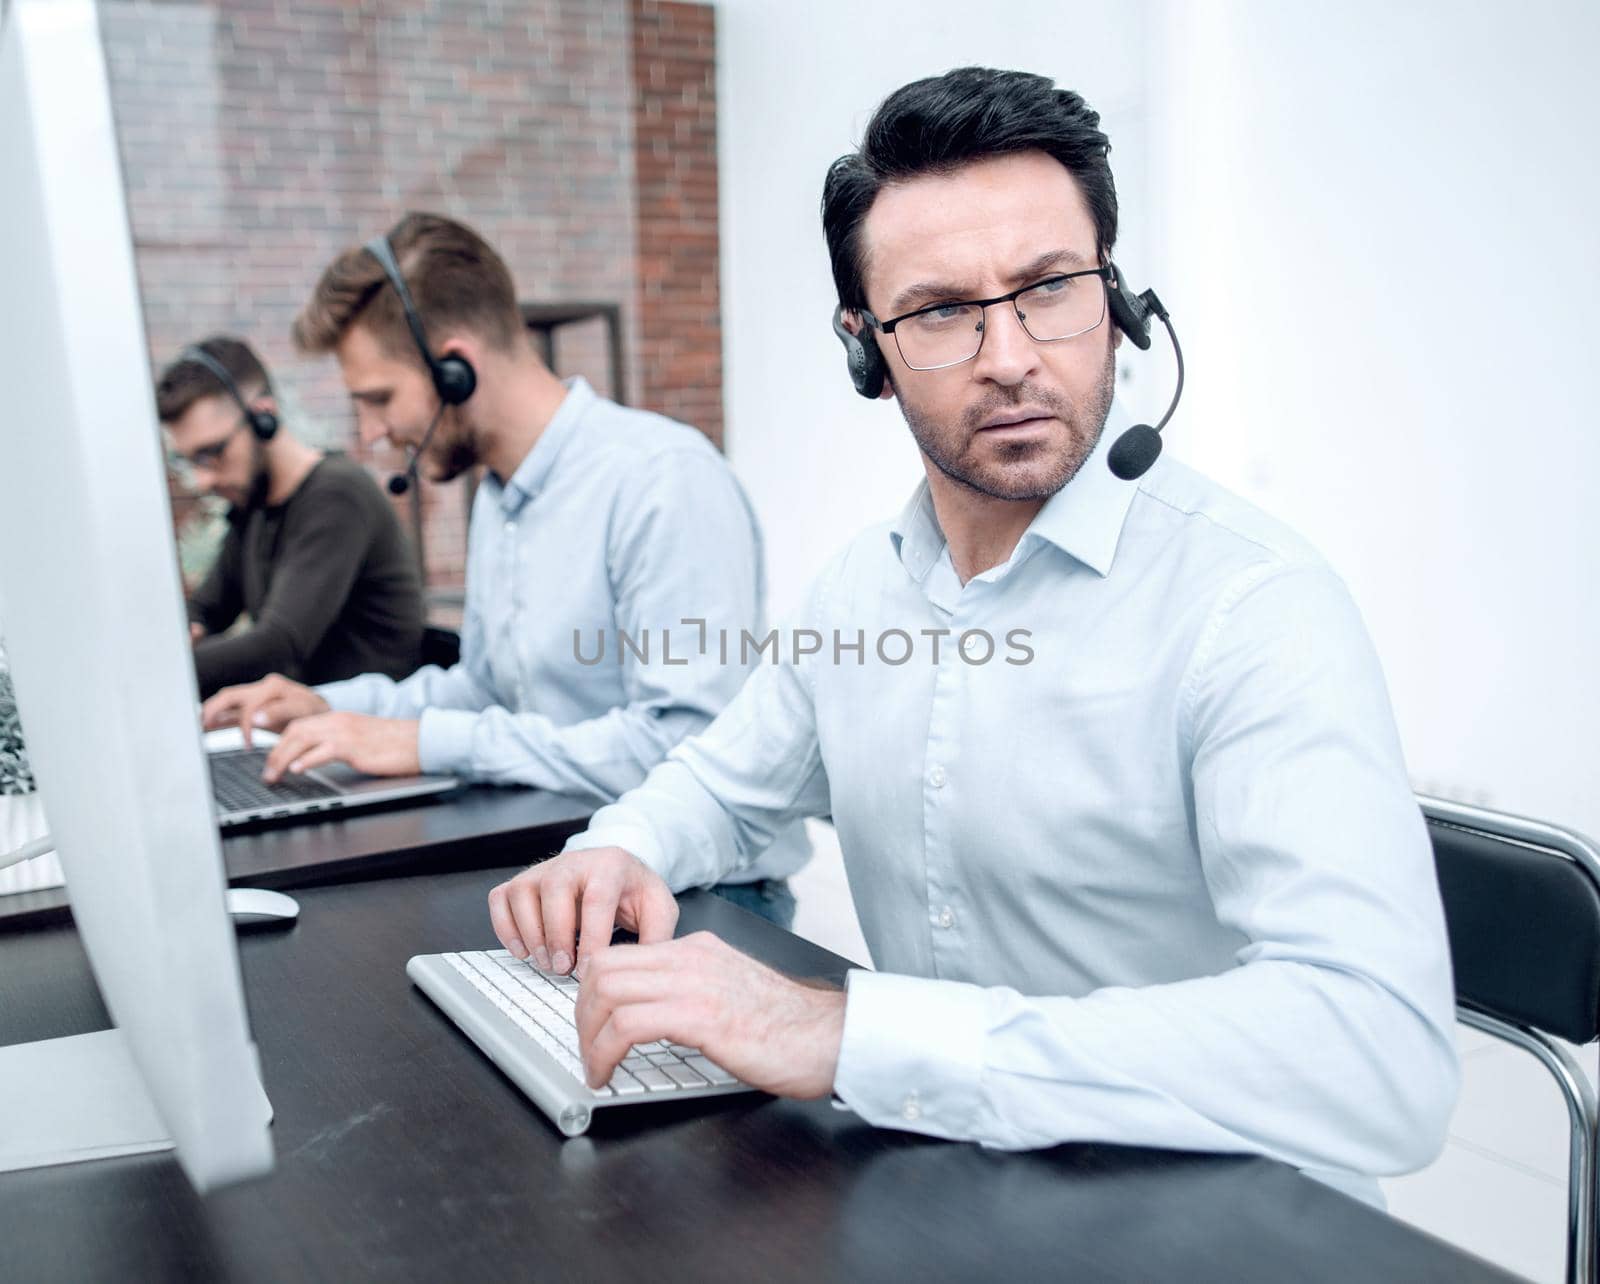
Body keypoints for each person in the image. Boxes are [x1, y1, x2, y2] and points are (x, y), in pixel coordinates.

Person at [487, 68, 1459, 1202]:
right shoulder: (864, 591)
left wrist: (851, 1037)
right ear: (866, 347)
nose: (1009, 355)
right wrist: (625, 846)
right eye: (942, 310)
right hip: (952, 1192)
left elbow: (1378, 1054)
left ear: (1120, 299)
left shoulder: (1253, 606)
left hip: (1223, 1220)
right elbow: (725, 783)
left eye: (1051, 288)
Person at [202, 213, 806, 926]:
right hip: (560, 864)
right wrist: (336, 707)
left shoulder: (662, 481)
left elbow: (679, 743)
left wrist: (423, 741)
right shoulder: (499, 495)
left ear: (455, 367)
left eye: (379, 399)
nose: (370, 433)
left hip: (702, 896)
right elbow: (484, 687)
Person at [160, 337, 424, 697]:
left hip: (370, 731)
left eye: (213, 453)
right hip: (307, 733)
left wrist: (157, 671)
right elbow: (207, 607)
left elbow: (279, 645)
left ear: (263, 416)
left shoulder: (336, 496)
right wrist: (189, 628)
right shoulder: (254, 504)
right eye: (189, 461)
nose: (202, 480)